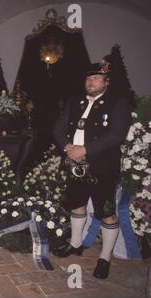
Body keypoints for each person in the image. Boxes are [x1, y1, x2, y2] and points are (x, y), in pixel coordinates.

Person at [53, 62, 132, 279]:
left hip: (102, 168)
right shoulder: (75, 101)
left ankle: (105, 258)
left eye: (97, 78)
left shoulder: (118, 103)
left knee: (106, 212)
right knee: (76, 204)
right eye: (89, 78)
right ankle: (76, 244)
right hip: (74, 165)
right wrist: (68, 148)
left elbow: (116, 135)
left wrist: (85, 149)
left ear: (107, 82)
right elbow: (58, 128)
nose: (91, 81)